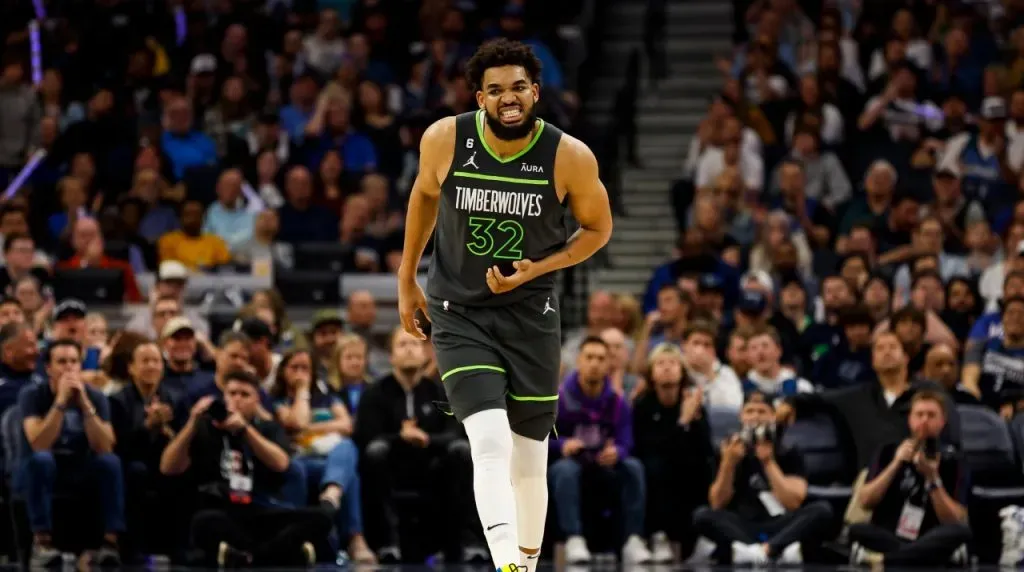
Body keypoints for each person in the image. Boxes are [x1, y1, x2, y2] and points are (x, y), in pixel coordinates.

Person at [396, 38, 614, 572]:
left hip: (530, 314)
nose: (508, 98)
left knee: (530, 457)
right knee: (489, 441)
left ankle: (527, 565)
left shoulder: (569, 156)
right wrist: (407, 277)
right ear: (480, 99)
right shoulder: (445, 138)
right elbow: (424, 195)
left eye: (518, 87)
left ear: (535, 92)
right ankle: (507, 567)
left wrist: (539, 268)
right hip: (459, 311)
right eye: (495, 90)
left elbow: (598, 229)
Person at [159, 369, 333, 567]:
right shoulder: (205, 426)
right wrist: (192, 422)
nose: (237, 399)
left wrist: (245, 430)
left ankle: (248, 556)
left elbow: (281, 463)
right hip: (224, 511)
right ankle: (275, 554)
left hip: (261, 509)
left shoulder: (266, 427)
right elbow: (167, 467)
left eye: (244, 395)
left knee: (322, 518)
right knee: (202, 522)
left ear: (256, 400)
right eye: (232, 393)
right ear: (224, 396)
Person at [693, 391, 832, 566]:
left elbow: (793, 502)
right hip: (742, 525)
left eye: (762, 411)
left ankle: (763, 551)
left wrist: (768, 463)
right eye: (750, 411)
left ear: (772, 416)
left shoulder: (788, 451)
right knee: (702, 515)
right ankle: (773, 551)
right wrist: (728, 464)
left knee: (822, 510)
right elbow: (717, 503)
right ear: (741, 416)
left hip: (780, 523)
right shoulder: (727, 451)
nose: (755, 417)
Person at [17, 339, 124, 567]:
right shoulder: (32, 395)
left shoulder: (95, 397)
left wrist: (85, 405)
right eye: (62, 362)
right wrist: (60, 403)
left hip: (81, 468)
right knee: (42, 460)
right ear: (48, 368)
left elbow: (105, 445)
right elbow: (39, 443)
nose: (69, 367)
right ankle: (42, 543)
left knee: (110, 462)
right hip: (45, 468)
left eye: (74, 362)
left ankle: (109, 543)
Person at [849, 390, 971, 567]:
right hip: (891, 535)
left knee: (959, 532)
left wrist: (933, 478)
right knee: (857, 530)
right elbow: (866, 501)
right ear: (910, 419)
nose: (924, 420)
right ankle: (918, 556)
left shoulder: (955, 460)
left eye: (931, 415)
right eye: (919, 414)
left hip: (930, 536)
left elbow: (954, 520)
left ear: (942, 421)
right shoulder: (887, 451)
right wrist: (896, 463)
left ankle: (884, 560)